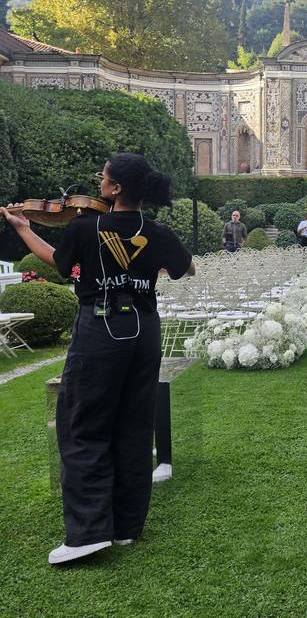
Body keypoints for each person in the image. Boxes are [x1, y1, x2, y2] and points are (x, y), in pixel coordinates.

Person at [1, 153, 195, 564]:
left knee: (83, 426)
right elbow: (186, 269)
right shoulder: (156, 230)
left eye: (103, 178)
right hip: (144, 329)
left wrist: (23, 228)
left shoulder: (86, 226)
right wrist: (142, 264)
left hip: (101, 327)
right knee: (134, 425)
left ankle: (88, 534)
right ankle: (126, 527)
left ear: (116, 188)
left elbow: (57, 261)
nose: (98, 183)